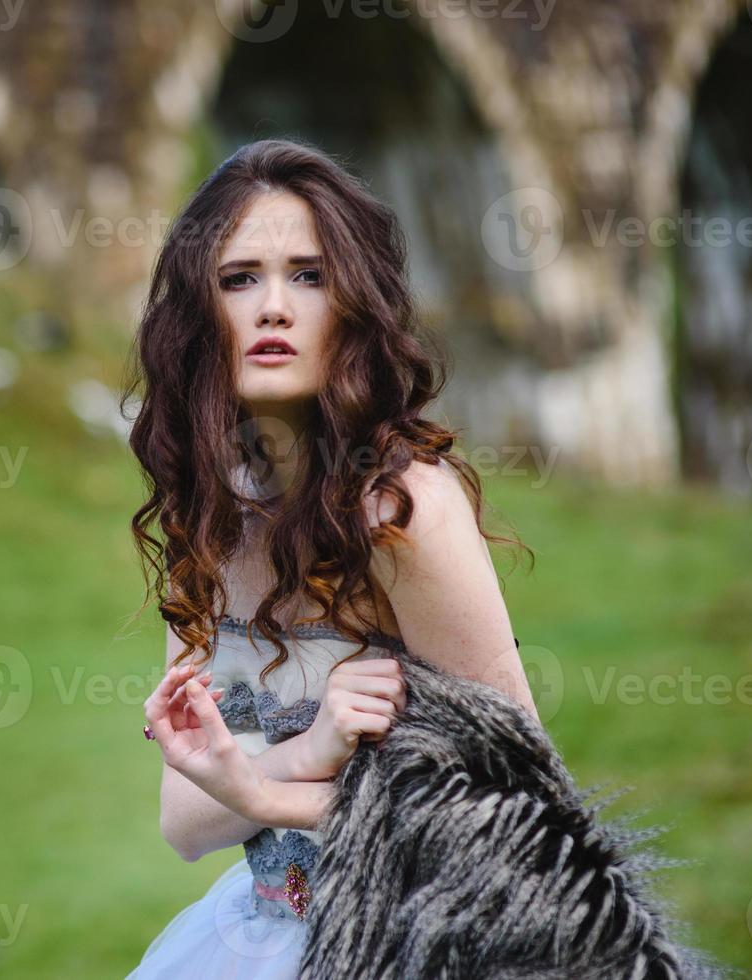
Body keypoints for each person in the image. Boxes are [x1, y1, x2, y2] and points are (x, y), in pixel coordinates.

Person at [122, 138, 538, 978]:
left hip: (414, 944)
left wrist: (263, 794)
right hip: (259, 936)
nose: (274, 306)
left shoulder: (398, 506)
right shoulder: (210, 516)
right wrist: (301, 759)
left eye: (308, 276)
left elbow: (520, 794)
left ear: (354, 305)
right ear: (201, 312)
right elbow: (184, 819)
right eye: (241, 278)